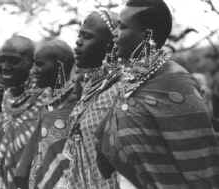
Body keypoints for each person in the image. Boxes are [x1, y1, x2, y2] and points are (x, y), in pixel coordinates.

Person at [93, 0, 219, 188]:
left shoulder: (176, 83)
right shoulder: (131, 79)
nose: (114, 34)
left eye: (123, 26)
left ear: (146, 36)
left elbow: (200, 162)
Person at [33, 10, 118, 189]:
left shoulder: (119, 90)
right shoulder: (88, 88)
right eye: (79, 35)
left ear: (110, 45)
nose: (78, 41)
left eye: (87, 36)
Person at [0, 35, 51, 189]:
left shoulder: (46, 97)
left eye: (13, 61)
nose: (5, 66)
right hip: (6, 173)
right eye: (2, 59)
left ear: (32, 63)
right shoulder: (8, 95)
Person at [28, 39, 81, 189]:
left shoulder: (77, 100)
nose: (32, 70)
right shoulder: (46, 100)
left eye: (39, 64)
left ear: (59, 66)